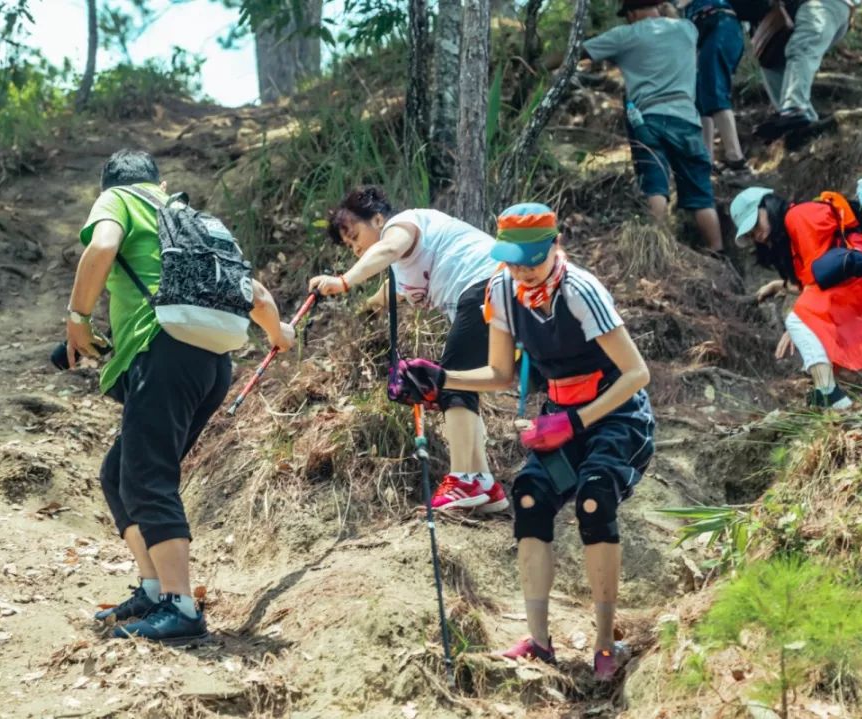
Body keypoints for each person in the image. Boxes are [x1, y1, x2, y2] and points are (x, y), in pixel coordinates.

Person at [390, 203, 655, 681]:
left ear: (556, 247)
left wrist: (575, 423)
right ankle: (539, 641)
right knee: (530, 498)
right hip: (560, 415)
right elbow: (499, 374)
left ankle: (604, 643)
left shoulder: (581, 291)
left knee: (595, 500)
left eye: (531, 261)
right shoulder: (502, 291)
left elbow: (637, 373)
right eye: (512, 261)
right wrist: (440, 377)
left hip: (617, 416)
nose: (522, 272)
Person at [67, 149, 296, 643]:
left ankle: (181, 607)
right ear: (161, 181)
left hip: (164, 352)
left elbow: (102, 246)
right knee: (118, 474)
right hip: (212, 364)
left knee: (148, 476)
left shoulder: (118, 201)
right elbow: (254, 293)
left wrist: (78, 318)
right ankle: (154, 589)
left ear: (108, 186)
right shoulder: (186, 219)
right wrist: (279, 335)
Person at [306, 187, 509, 513]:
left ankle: (463, 480)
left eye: (355, 236)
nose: (356, 248)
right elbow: (391, 291)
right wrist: (368, 308)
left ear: (377, 218)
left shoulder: (403, 224)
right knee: (462, 383)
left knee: (450, 380)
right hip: (489, 293)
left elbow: (387, 249)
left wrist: (344, 281)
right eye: (348, 246)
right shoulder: (402, 267)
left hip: (484, 284)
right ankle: (483, 482)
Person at [731, 186, 862, 408]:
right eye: (750, 234)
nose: (756, 235)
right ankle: (832, 389)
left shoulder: (799, 217)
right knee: (805, 320)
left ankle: (830, 394)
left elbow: (818, 278)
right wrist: (779, 285)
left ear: (766, 206)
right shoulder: (788, 232)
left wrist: (797, 325)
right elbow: (815, 277)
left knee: (797, 320)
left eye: (755, 224)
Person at [582, 0, 724, 253]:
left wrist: (542, 65)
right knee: (701, 193)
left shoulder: (625, 35)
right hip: (688, 120)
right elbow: (672, 16)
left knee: (655, 185)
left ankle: (660, 246)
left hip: (649, 119)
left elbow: (580, 52)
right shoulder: (686, 30)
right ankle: (717, 248)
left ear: (632, 13)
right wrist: (665, 10)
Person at [754, 0, 860, 140]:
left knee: (801, 47)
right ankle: (801, 123)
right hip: (800, 9)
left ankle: (795, 108)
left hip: (822, 5)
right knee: (770, 59)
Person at [684, 0, 748, 171]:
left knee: (714, 89)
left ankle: (736, 158)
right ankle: (707, 158)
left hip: (720, 24)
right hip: (705, 33)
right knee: (701, 95)